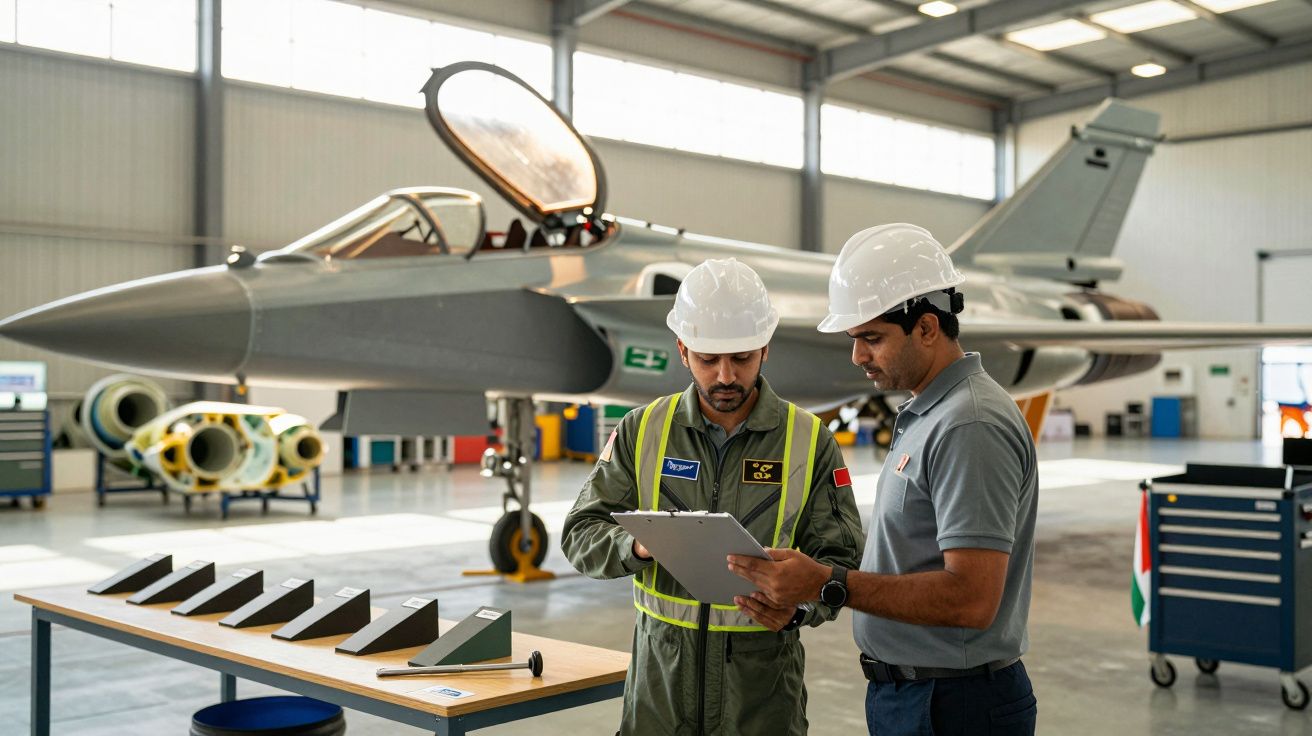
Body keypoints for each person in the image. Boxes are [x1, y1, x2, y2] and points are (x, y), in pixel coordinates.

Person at [727, 224, 1040, 735]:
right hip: (917, 695)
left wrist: (827, 583)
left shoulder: (969, 424)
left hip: (953, 705)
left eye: (872, 338)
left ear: (927, 327)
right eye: (855, 339)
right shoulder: (930, 413)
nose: (858, 357)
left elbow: (972, 598)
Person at [561, 257, 864, 736]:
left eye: (741, 358)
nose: (725, 376)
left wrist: (800, 608)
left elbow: (841, 561)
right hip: (658, 701)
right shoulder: (643, 430)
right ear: (683, 351)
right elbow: (580, 533)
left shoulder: (810, 441)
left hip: (760, 705)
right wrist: (638, 544)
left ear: (765, 349)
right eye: (708, 359)